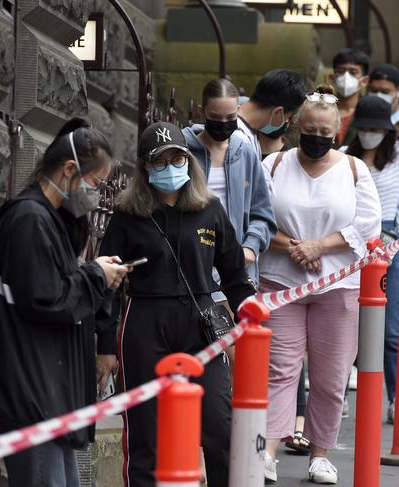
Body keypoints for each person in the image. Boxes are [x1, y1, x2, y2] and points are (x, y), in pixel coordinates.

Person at [100, 122, 256, 487]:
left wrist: (250, 314)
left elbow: (234, 275)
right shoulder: (127, 215)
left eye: (178, 158)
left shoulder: (210, 210)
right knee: (145, 435)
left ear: (189, 162)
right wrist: (104, 346)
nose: (171, 167)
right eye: (160, 161)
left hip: (201, 322)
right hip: (145, 322)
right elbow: (107, 286)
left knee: (219, 427)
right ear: (145, 168)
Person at [0, 118, 129, 486]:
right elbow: (46, 299)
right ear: (70, 169)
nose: (97, 194)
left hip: (49, 390)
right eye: (95, 183)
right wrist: (96, 276)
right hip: (34, 390)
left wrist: (94, 276)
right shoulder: (29, 219)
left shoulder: (49, 219)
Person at [259, 86, 381, 484]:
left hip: (338, 285)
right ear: (296, 126)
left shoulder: (353, 169)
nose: (316, 137)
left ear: (337, 131)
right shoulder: (274, 163)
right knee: (279, 370)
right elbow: (255, 214)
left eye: (324, 131)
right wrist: (291, 246)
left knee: (331, 375)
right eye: (309, 129)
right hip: (280, 281)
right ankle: (269, 450)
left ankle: (320, 453)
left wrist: (319, 246)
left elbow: (367, 224)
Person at [346, 94, 399, 422]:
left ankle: (396, 397)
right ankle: (339, 394)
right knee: (347, 325)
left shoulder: (397, 156)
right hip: (350, 244)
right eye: (363, 127)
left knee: (390, 330)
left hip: (387, 243)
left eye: (373, 128)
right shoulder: (343, 159)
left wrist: (391, 125)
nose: (368, 133)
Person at [182, 78, 277, 294]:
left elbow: (262, 212)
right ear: (201, 110)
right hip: (190, 264)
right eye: (215, 117)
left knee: (234, 327)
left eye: (231, 117)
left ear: (239, 110)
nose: (223, 123)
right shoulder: (182, 151)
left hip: (235, 268)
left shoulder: (245, 153)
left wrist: (250, 248)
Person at [236, 69, 306, 160]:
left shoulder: (246, 133)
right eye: (287, 117)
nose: (286, 122)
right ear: (278, 112)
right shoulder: (239, 142)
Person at [328, 48, 371, 148]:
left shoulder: (368, 113)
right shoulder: (321, 109)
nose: (346, 77)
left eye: (353, 72)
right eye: (341, 71)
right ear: (332, 78)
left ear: (364, 81)